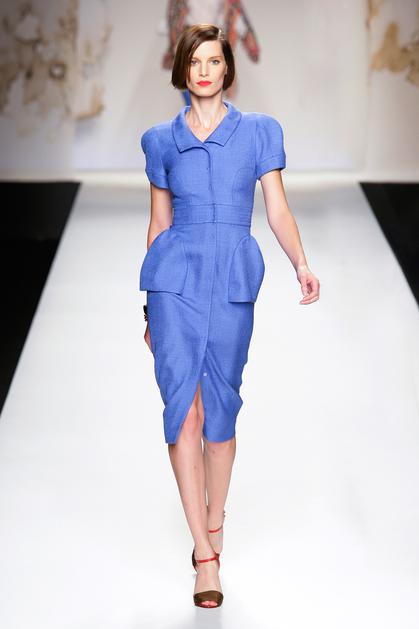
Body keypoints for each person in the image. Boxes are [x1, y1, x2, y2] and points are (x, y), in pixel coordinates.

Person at [139, 23, 320, 608]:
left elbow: (277, 209)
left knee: (221, 411)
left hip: (232, 279)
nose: (204, 71)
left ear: (227, 69)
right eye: (195, 61)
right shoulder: (160, 141)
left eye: (214, 61)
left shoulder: (260, 132)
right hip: (174, 281)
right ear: (183, 69)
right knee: (182, 411)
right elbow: (159, 223)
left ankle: (215, 522)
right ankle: (205, 557)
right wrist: (150, 308)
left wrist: (301, 264)